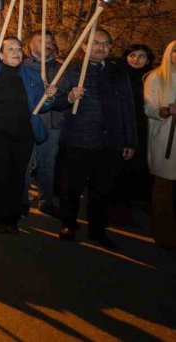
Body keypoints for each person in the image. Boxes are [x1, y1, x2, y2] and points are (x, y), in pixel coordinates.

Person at [54, 28, 136, 249]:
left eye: (106, 44)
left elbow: (127, 107)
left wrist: (129, 141)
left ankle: (97, 228)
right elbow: (56, 101)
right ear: (84, 46)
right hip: (78, 139)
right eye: (97, 43)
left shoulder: (118, 72)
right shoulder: (72, 69)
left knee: (102, 189)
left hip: (109, 142)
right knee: (72, 187)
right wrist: (70, 96)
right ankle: (68, 224)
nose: (102, 48)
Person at [0, 37, 57, 233]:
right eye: (10, 49)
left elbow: (42, 105)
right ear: (1, 54)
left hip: (24, 134)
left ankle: (12, 219)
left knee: (18, 175)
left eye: (19, 48)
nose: (16, 52)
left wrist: (50, 97)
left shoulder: (32, 75)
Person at [110, 43, 155, 225]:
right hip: (119, 127)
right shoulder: (117, 74)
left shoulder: (151, 78)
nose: (136, 60)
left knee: (137, 167)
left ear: (148, 60)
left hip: (142, 127)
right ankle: (115, 207)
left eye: (142, 56)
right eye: (133, 55)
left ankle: (132, 206)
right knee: (117, 168)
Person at [22, 30, 64, 216]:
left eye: (49, 40)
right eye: (41, 40)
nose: (46, 43)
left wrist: (62, 95)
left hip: (52, 122)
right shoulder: (22, 66)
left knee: (47, 162)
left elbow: (66, 96)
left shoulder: (61, 68)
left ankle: (46, 200)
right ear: (30, 45)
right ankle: (21, 200)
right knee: (25, 162)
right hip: (29, 122)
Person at [143, 40, 176, 250]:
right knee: (164, 189)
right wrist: (166, 110)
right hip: (165, 139)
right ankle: (163, 234)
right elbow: (149, 109)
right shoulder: (156, 77)